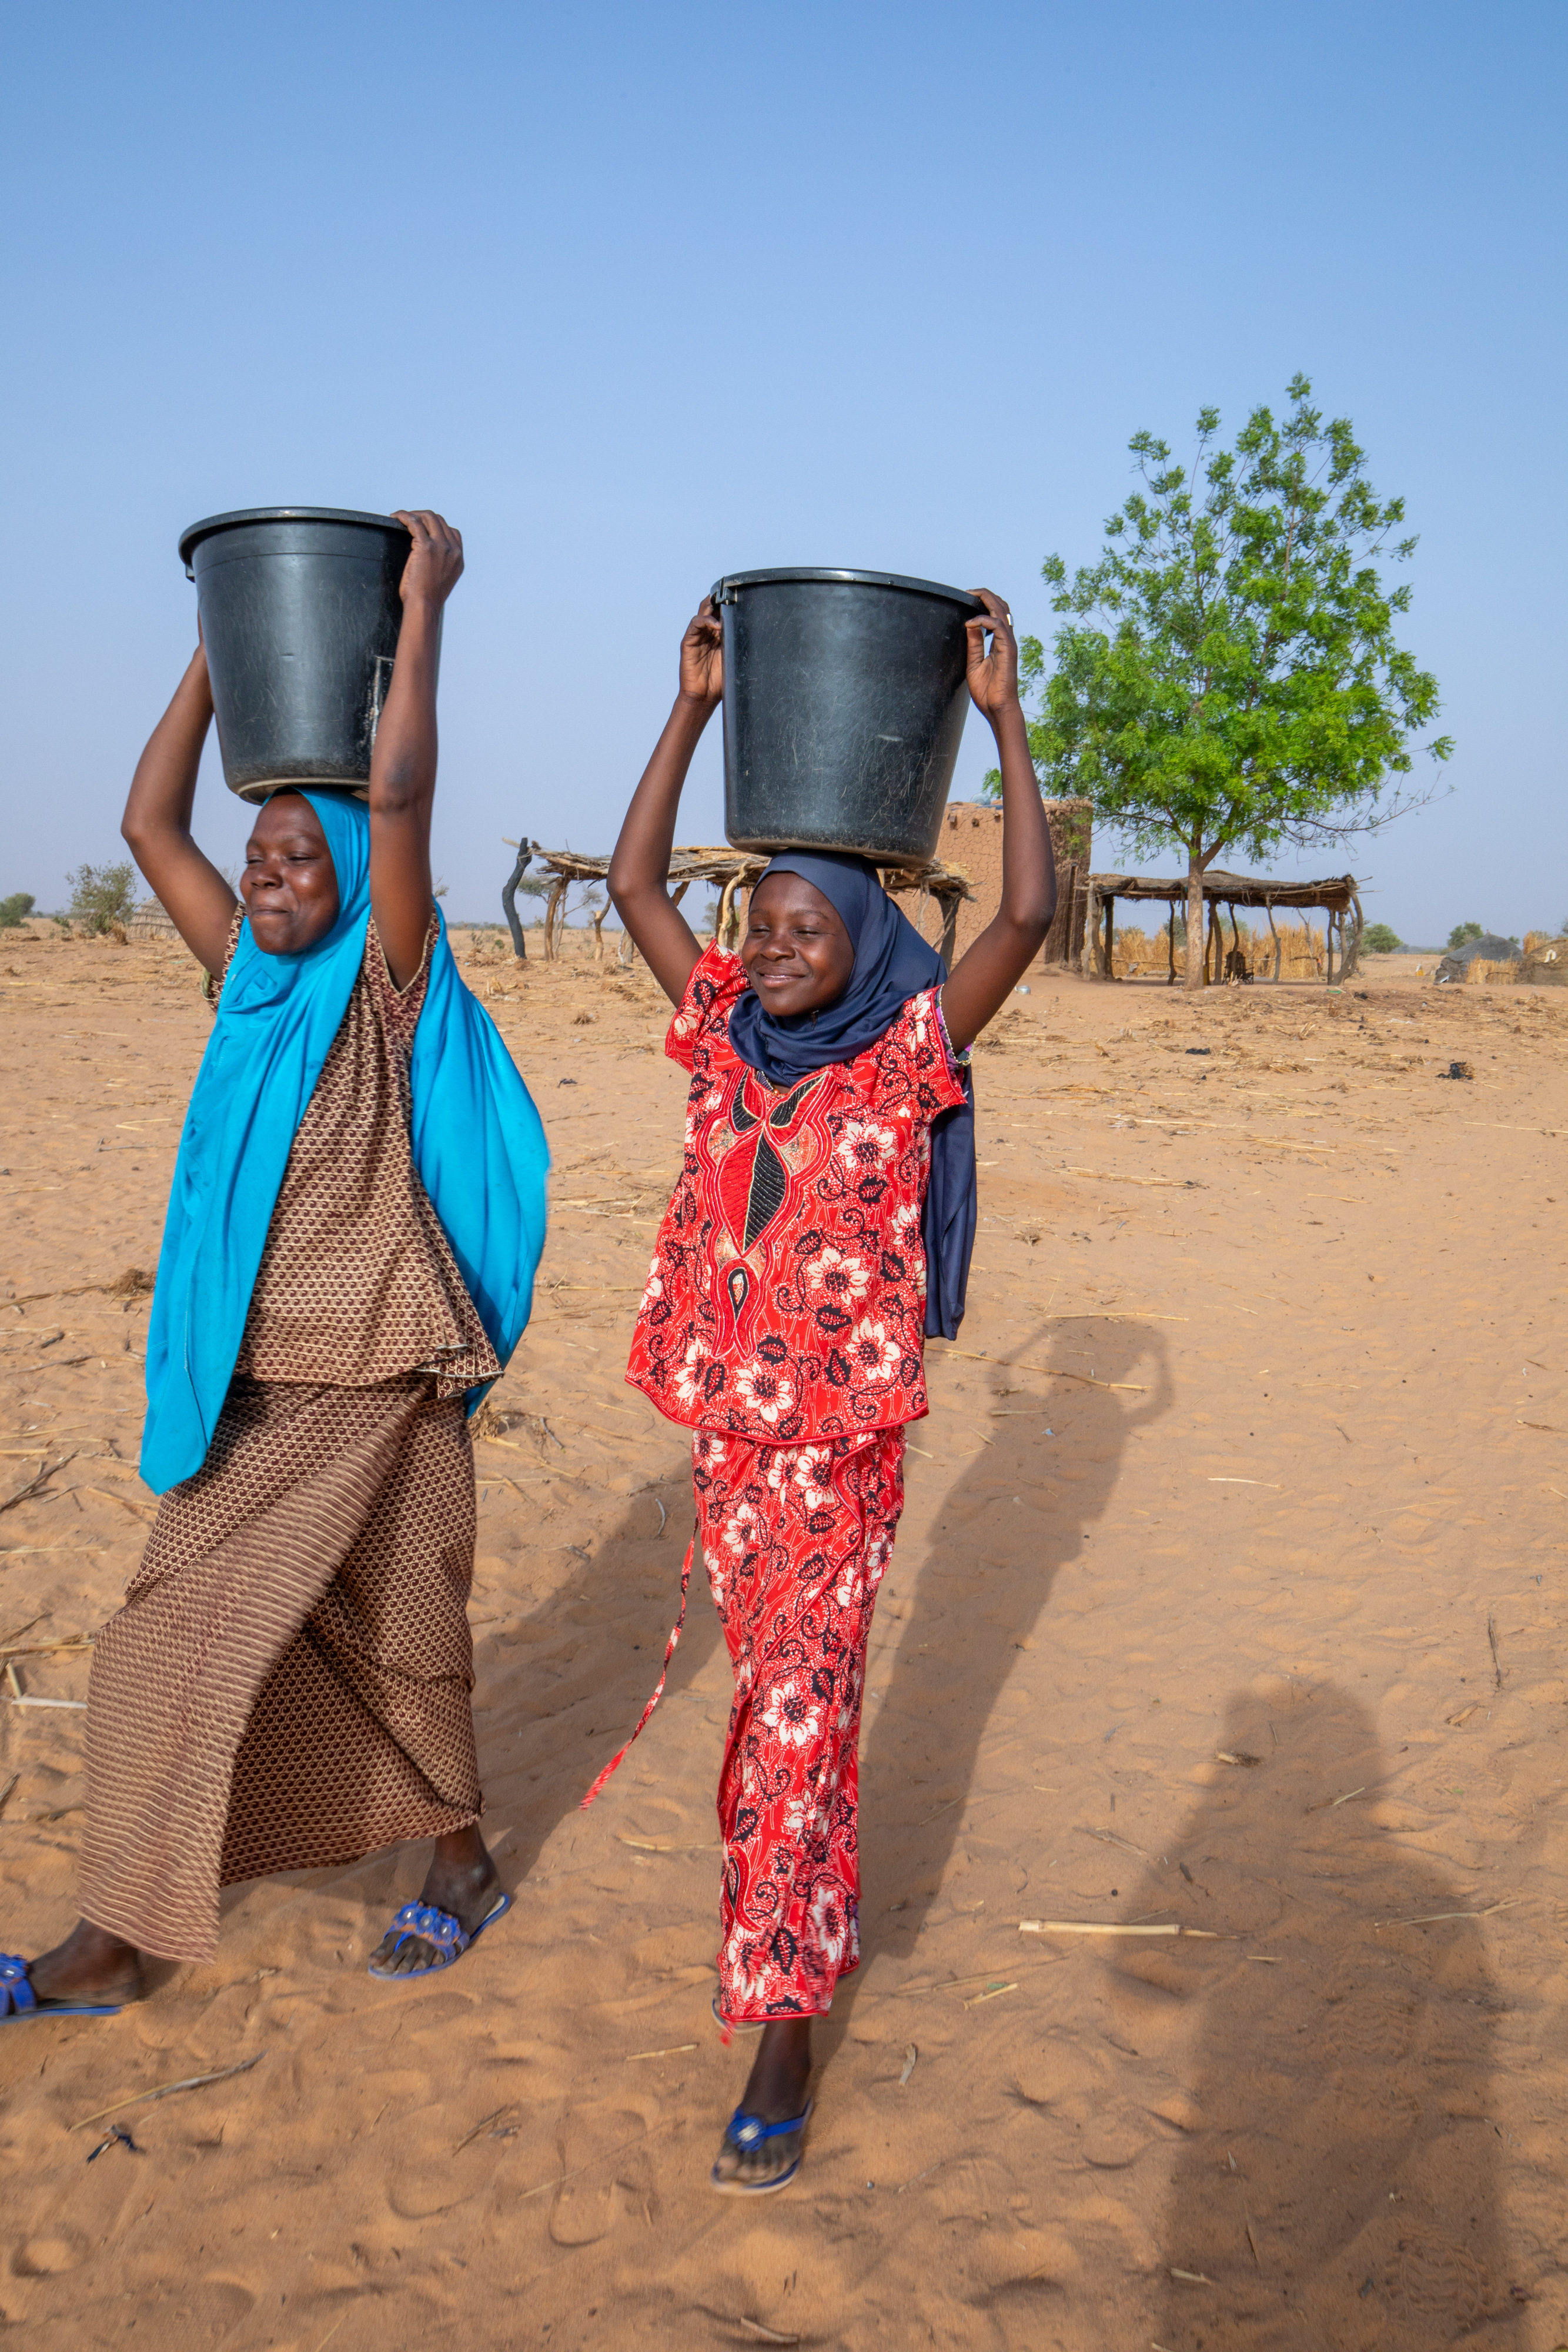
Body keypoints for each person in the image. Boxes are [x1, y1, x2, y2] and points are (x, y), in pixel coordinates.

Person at [0, 511, 549, 2023]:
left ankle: (457, 1869)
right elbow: (144, 828)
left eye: (301, 857)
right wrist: (223, 661)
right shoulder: (249, 987)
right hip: (253, 1396)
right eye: (262, 856)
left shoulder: (383, 982)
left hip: (379, 1383)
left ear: (357, 875)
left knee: (400, 1650)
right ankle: (123, 1932)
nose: (268, 875)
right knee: (159, 1645)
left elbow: (402, 786)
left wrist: (420, 609)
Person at [597, 587, 1054, 2190]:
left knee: (791, 1724)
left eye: (806, 929)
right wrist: (696, 708)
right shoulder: (723, 1039)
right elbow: (638, 882)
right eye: (763, 926)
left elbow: (1018, 928)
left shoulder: (901, 1054)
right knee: (773, 1721)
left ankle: (783, 2019)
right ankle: (800, 1936)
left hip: (837, 1461)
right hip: (729, 1452)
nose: (775, 949)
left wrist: (1000, 720)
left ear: (861, 944)